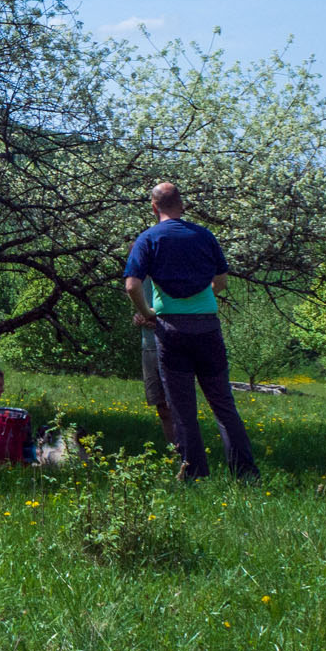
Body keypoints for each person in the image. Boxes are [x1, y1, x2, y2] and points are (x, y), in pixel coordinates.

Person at [123, 181, 259, 481]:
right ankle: (246, 474)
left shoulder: (148, 239)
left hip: (171, 330)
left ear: (154, 206)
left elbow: (132, 285)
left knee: (183, 409)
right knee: (223, 404)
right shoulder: (203, 235)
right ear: (181, 205)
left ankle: (195, 475)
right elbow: (221, 280)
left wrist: (147, 312)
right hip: (208, 327)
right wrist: (202, 296)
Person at [136, 312, 179, 447]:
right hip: (149, 346)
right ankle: (175, 455)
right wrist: (137, 318)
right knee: (162, 407)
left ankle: (189, 455)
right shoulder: (139, 290)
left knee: (178, 405)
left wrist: (162, 322)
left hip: (172, 344)